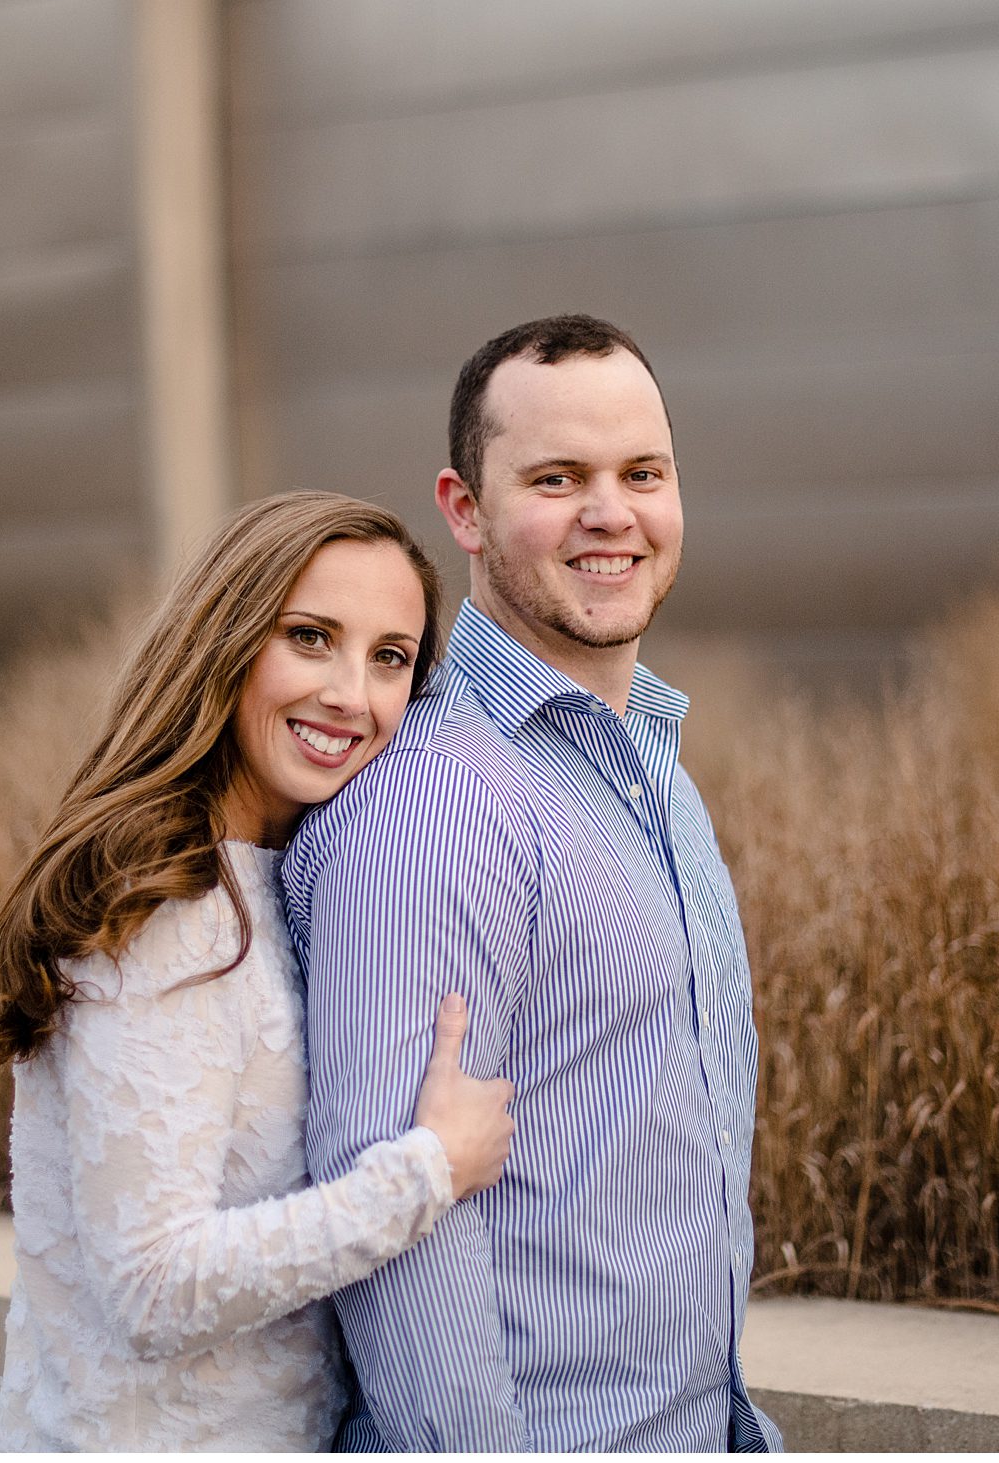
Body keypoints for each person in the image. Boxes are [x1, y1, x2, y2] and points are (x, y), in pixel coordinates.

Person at [283, 315, 783, 1451]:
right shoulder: (438, 804)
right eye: (557, 478)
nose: (611, 512)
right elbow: (399, 1229)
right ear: (463, 508)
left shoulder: (648, 763)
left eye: (641, 473)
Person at [0, 490, 517, 1452]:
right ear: (228, 643)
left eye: (391, 657)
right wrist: (428, 1172)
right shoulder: (164, 909)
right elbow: (153, 1284)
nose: (353, 693)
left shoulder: (279, 876)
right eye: (311, 637)